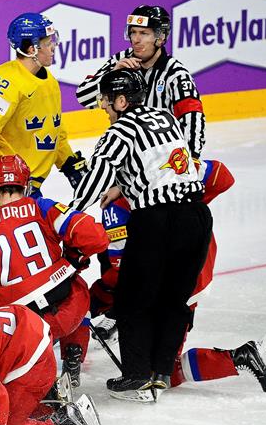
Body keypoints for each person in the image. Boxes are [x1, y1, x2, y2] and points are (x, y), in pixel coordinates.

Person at [70, 68, 213, 402]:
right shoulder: (164, 118)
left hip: (156, 223)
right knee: (174, 299)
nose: (102, 107)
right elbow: (164, 165)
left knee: (133, 299)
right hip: (196, 218)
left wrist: (68, 217)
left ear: (121, 100)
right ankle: (161, 371)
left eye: (105, 100)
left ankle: (135, 376)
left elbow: (92, 181)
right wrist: (123, 186)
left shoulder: (117, 134)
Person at [90, 162, 266, 393]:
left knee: (162, 371)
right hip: (195, 264)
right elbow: (222, 177)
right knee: (159, 362)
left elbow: (123, 271)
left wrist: (102, 300)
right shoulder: (168, 170)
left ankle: (241, 357)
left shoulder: (117, 207)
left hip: (171, 282)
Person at [0, 154, 108, 387]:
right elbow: (96, 238)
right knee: (76, 283)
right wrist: (74, 258)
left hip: (19, 327)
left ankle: (33, 376)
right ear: (26, 185)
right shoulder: (41, 207)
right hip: (67, 313)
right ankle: (73, 353)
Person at [0, 13, 86, 219]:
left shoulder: (50, 82)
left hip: (25, 183)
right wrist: (1, 180)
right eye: (48, 43)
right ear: (31, 49)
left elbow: (54, 130)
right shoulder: (3, 83)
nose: (54, 46)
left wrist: (68, 163)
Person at [76, 5, 205, 160]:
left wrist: (191, 160)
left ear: (161, 37)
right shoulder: (120, 60)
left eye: (144, 33)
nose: (135, 40)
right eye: (133, 32)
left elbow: (192, 118)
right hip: (125, 154)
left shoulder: (175, 74)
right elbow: (83, 97)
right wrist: (112, 74)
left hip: (162, 159)